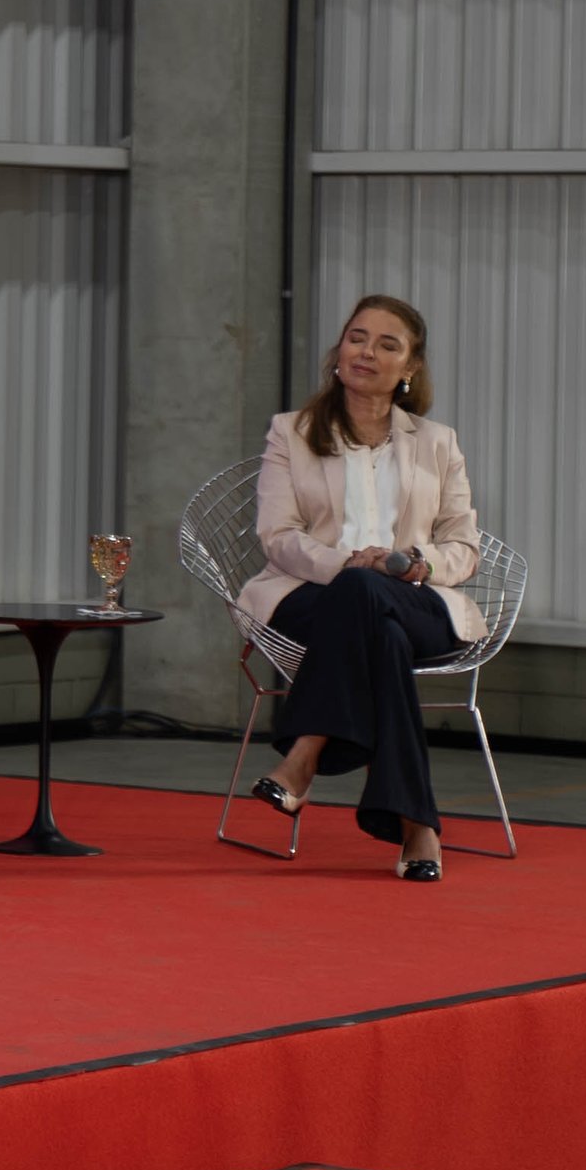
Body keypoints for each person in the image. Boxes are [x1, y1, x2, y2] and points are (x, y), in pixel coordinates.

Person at [237, 297, 487, 881]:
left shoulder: (438, 442)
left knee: (372, 603)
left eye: (386, 344)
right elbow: (278, 537)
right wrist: (349, 564)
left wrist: (406, 562)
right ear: (338, 350)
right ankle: (416, 825)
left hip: (415, 596)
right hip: (312, 593)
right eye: (357, 337)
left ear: (411, 368)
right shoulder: (292, 433)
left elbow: (465, 547)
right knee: (372, 620)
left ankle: (305, 755)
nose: (366, 352)